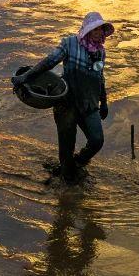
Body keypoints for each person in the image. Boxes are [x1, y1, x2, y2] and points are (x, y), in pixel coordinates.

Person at [16, 11, 114, 184]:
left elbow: (100, 77)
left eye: (102, 30)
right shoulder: (69, 44)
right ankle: (66, 180)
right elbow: (49, 62)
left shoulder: (100, 52)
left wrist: (104, 101)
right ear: (87, 30)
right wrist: (27, 77)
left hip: (89, 104)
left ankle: (78, 163)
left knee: (97, 140)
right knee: (66, 146)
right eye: (97, 29)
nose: (100, 33)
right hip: (67, 102)